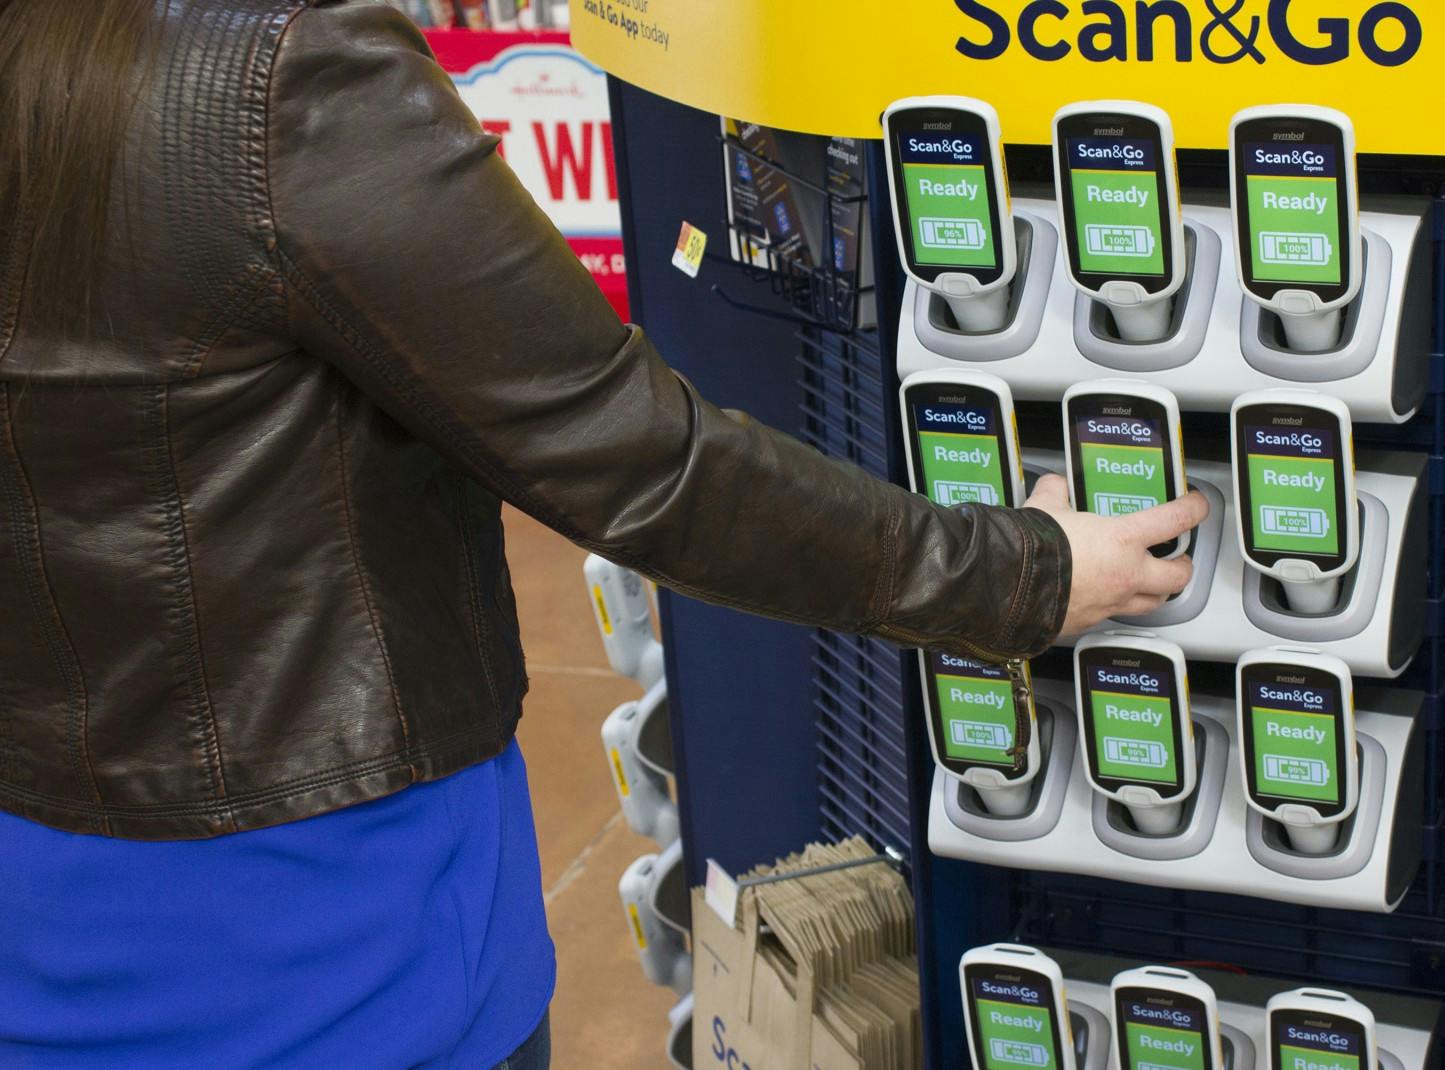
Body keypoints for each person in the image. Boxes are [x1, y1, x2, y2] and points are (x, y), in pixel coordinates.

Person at [0, 2, 1207, 1066]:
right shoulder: (283, 85)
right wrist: (1019, 574)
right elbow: (642, 460)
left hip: (45, 921)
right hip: (334, 940)